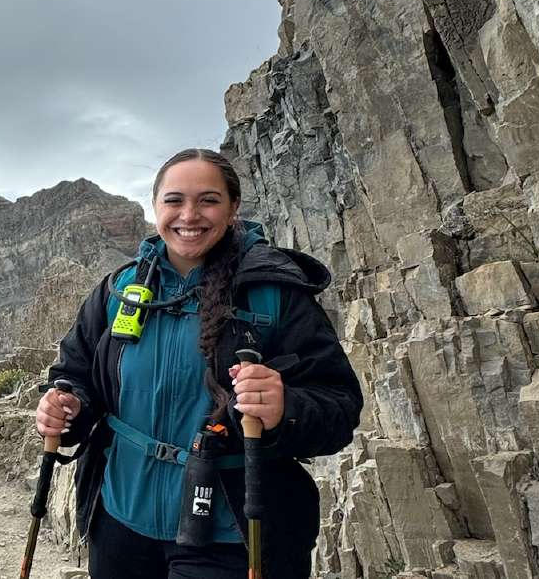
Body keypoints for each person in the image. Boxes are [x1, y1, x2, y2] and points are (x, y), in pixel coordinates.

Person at [36, 148, 362, 579]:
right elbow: (76, 374)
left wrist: (285, 410)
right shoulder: (119, 290)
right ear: (155, 208)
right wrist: (68, 404)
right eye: (174, 200)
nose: (189, 214)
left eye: (208, 200)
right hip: (120, 521)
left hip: (229, 533)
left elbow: (338, 405)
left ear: (233, 209)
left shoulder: (275, 292)